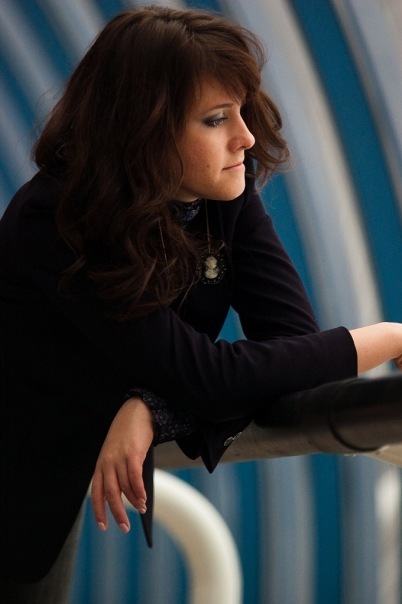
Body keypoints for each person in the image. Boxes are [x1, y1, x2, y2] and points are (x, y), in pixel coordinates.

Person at [1, 5, 402, 602]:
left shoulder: (220, 191)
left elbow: (291, 353)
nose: (246, 136)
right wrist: (391, 337)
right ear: (142, 130)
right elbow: (214, 381)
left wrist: (152, 407)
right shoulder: (58, 220)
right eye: (216, 119)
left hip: (41, 496)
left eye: (241, 109)